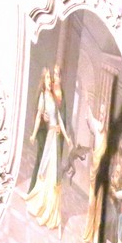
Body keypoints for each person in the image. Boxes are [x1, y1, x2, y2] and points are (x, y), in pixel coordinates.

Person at [24, 66, 72, 231]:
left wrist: (67, 137)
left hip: (55, 138)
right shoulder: (43, 97)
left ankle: (49, 210)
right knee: (47, 172)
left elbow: (59, 118)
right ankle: (41, 205)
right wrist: (33, 134)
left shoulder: (52, 95)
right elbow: (39, 117)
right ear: (43, 80)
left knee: (53, 175)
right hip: (50, 136)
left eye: (51, 78)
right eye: (47, 78)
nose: (50, 80)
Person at [82, 100, 110, 243]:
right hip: (95, 172)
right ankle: (89, 233)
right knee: (92, 203)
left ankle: (96, 236)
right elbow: (90, 118)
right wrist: (88, 106)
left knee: (99, 205)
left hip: (102, 174)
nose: (102, 115)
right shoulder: (97, 126)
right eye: (101, 112)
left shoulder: (106, 134)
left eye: (105, 113)